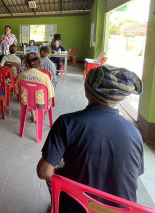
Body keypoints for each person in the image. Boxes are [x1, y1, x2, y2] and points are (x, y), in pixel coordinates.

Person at [37, 65, 144, 213]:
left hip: (77, 206)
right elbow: (133, 175)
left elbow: (43, 172)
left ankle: (56, 206)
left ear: (87, 92)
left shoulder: (67, 123)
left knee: (53, 172)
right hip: (121, 210)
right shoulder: (135, 134)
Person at [17, 52, 54, 122]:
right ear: (39, 63)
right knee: (47, 100)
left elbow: (17, 91)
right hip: (41, 104)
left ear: (27, 63)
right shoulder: (44, 76)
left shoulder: (21, 75)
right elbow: (50, 94)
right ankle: (40, 117)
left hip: (25, 102)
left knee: (30, 96)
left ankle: (33, 116)